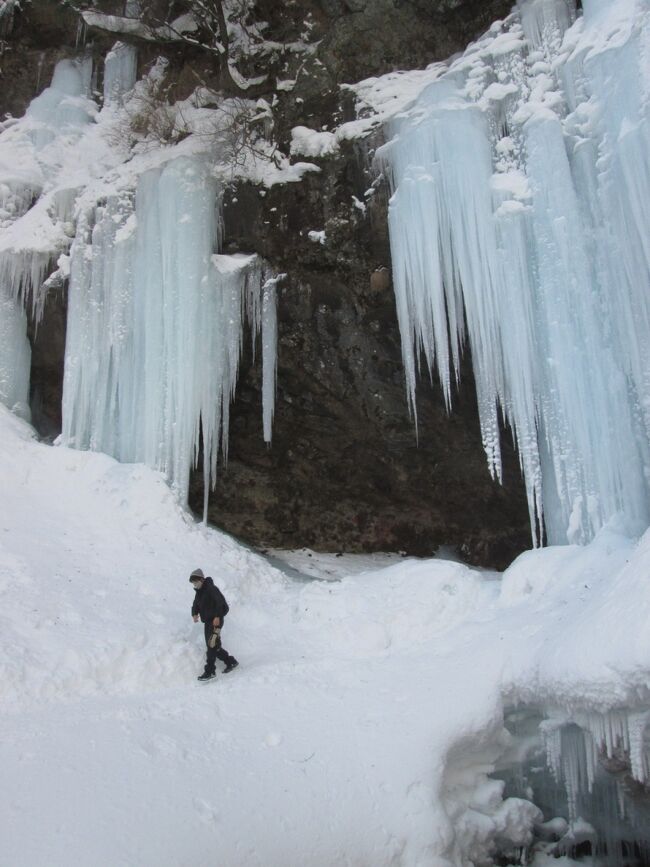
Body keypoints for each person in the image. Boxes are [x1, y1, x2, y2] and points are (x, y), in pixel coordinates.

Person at [189, 568, 239, 681]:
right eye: (193, 583)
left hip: (216, 621)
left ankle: (210, 671)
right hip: (207, 622)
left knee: (211, 645)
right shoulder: (199, 592)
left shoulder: (211, 589)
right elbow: (195, 604)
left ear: (201, 579)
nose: (195, 584)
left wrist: (217, 616)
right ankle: (231, 662)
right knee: (214, 646)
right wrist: (194, 614)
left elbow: (221, 604)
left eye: (196, 582)